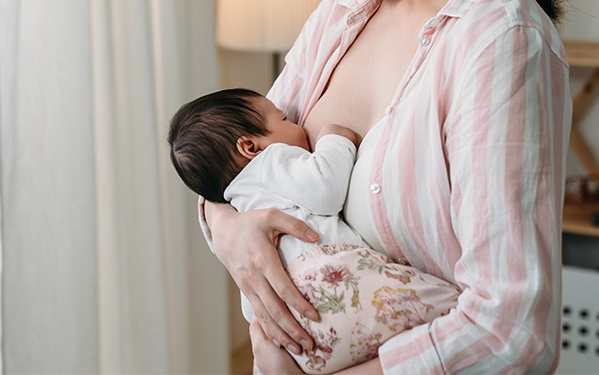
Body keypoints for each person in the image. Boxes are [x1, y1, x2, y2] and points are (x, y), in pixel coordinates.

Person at [201, 0, 572, 373]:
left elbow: (510, 332)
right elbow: (237, 155)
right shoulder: (343, 12)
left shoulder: (501, 44)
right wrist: (228, 229)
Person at [169, 88, 460, 373]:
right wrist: (335, 139)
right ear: (250, 148)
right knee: (452, 306)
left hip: (299, 336)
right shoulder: (269, 161)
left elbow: (253, 301)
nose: (298, 125)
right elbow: (325, 190)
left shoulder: (235, 203)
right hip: (335, 285)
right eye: (285, 119)